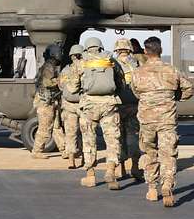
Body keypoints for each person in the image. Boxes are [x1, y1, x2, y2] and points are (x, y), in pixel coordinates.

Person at [131, 36, 194, 207]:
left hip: (146, 121)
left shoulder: (138, 72)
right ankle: (167, 185)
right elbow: (189, 89)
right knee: (168, 154)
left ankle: (152, 189)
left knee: (149, 153)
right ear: (161, 51)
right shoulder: (172, 70)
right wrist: (173, 98)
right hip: (167, 120)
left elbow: (135, 92)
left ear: (145, 51)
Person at [66, 37, 122, 189]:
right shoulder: (110, 60)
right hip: (109, 105)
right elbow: (120, 82)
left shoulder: (80, 62)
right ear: (100, 47)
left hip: (89, 106)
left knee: (89, 140)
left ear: (87, 48)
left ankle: (90, 175)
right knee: (112, 140)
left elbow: (71, 88)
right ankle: (111, 171)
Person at [113, 38, 144, 182]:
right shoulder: (136, 63)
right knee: (133, 136)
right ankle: (135, 167)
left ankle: (121, 169)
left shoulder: (112, 63)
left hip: (117, 105)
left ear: (117, 49)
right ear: (129, 49)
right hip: (133, 105)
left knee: (119, 137)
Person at [31, 43, 65, 159]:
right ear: (54, 54)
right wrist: (61, 80)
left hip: (51, 101)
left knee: (56, 127)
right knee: (45, 128)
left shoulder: (50, 66)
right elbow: (47, 83)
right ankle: (37, 151)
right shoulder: (49, 67)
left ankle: (64, 149)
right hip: (45, 103)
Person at [58, 44, 84, 169]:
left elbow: (61, 86)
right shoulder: (86, 68)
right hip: (83, 104)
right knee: (86, 132)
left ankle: (71, 161)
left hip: (68, 106)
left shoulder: (65, 70)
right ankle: (86, 159)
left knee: (70, 133)